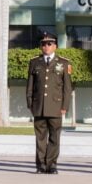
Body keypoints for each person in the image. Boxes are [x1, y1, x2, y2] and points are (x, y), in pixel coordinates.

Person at [26, 32, 73, 174]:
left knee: (54, 137)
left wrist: (65, 106)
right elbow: (30, 86)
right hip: (39, 106)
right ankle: (40, 165)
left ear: (55, 46)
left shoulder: (64, 63)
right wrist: (30, 103)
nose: (46, 47)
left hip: (56, 106)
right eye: (43, 44)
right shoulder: (34, 62)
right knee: (40, 137)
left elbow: (67, 87)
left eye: (49, 44)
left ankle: (52, 164)